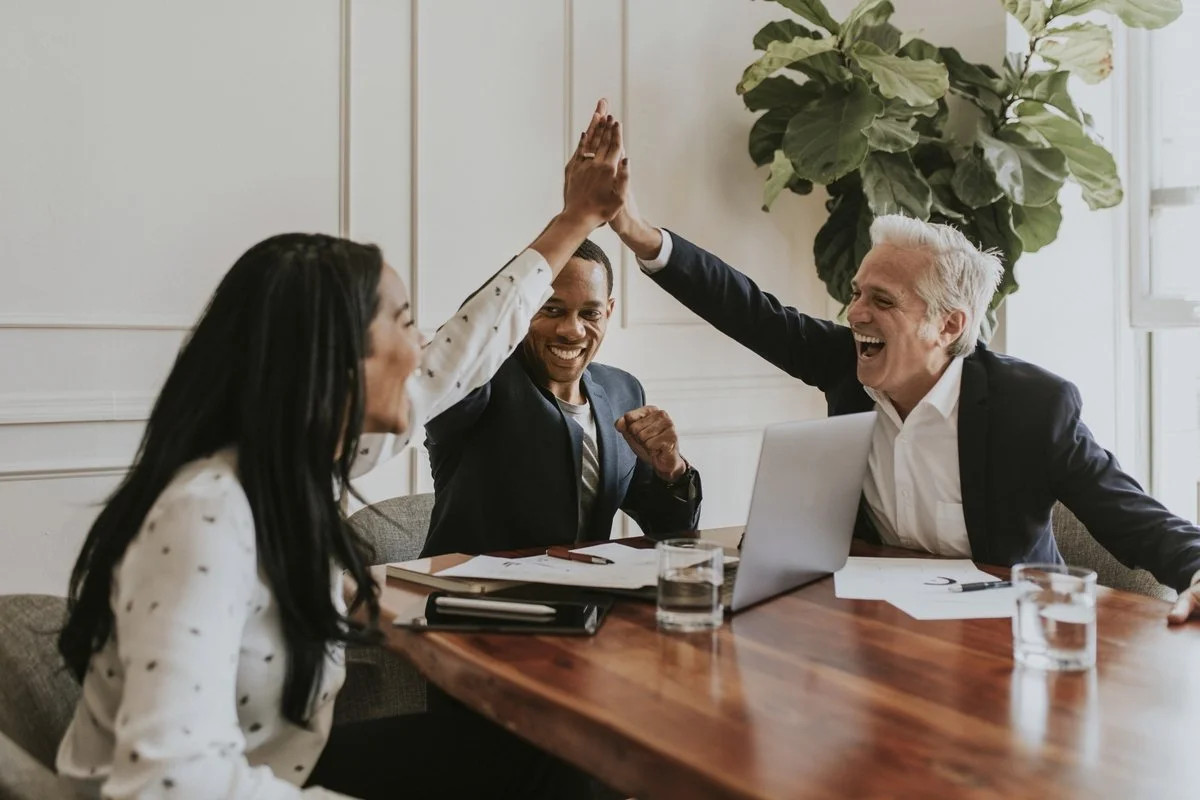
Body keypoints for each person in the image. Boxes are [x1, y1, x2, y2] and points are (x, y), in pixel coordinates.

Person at [54, 105, 627, 799]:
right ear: (335, 361)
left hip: (284, 766)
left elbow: (458, 360)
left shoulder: (292, 469)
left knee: (559, 751)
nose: (421, 351)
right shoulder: (204, 515)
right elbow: (167, 782)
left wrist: (575, 221)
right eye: (405, 325)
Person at [603, 152, 1200, 624]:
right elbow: (748, 309)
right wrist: (633, 229)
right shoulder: (846, 364)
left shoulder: (1033, 406)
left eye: (881, 300)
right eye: (858, 292)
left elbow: (1133, 516)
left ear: (948, 325)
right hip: (876, 627)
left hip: (1004, 640)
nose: (854, 313)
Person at [420, 238, 701, 557]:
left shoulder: (623, 390)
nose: (572, 330)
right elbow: (459, 344)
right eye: (552, 310)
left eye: (590, 314)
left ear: (608, 311)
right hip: (475, 603)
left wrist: (673, 470)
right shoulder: (479, 381)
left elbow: (672, 535)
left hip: (585, 603)